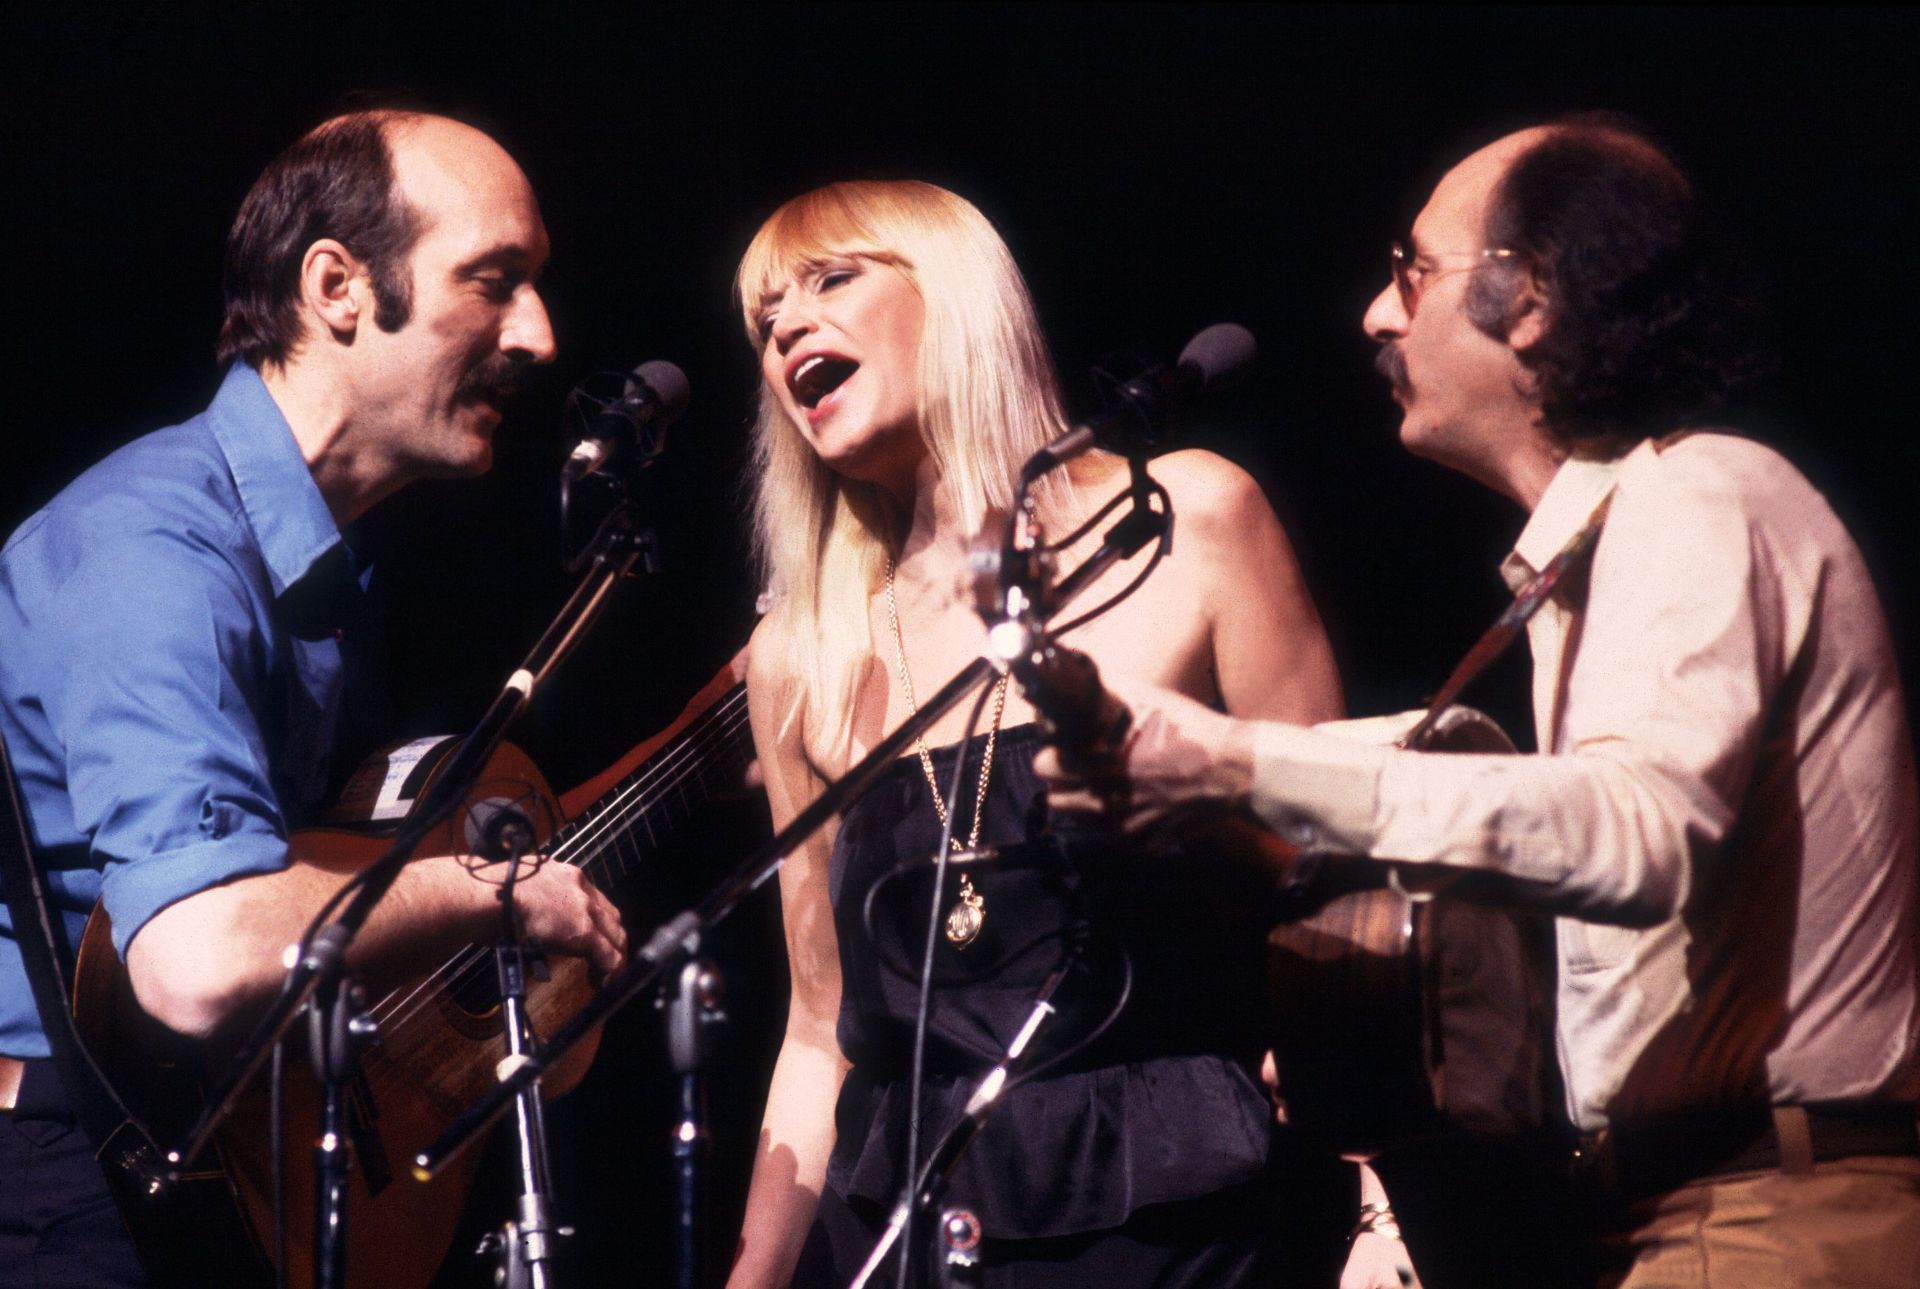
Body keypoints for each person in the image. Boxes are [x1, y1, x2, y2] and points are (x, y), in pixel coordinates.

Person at [1040, 116, 1920, 1287]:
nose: (1377, 313)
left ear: (1536, 296)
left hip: (1775, 1217)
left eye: (1413, 270)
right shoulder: (1598, 556)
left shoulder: (1702, 494)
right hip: (1675, 1212)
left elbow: (1639, 830)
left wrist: (1238, 762)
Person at [0, 110, 627, 1286]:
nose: (539, 335)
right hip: (63, 1184)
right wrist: (486, 891)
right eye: (493, 281)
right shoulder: (157, 553)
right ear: (338, 285)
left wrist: (716, 732)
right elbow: (201, 956)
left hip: (181, 1162)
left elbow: (343, 867)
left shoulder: (312, 561)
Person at [724, 180, 1347, 1288]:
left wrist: (1378, 1190)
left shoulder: (1189, 521)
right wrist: (754, 1276)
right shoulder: (802, 655)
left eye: (831, 278)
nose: (785, 328)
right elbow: (820, 1028)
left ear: (956, 293)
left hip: (1184, 1220)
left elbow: (1342, 901)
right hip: (909, 1227)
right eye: (764, 318)